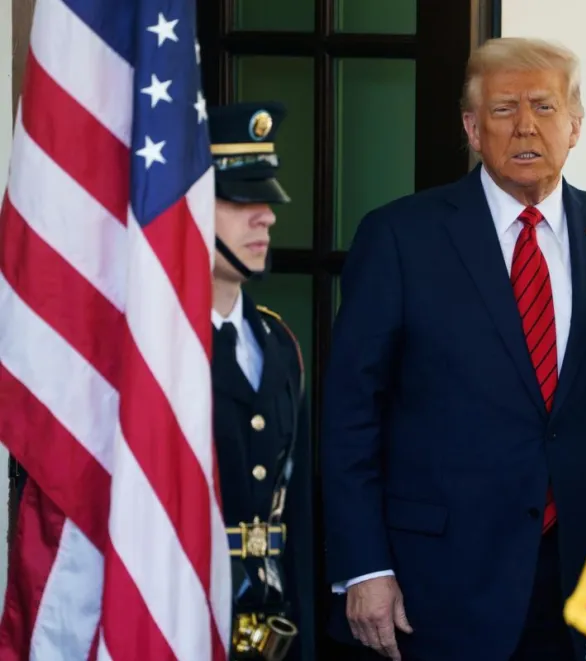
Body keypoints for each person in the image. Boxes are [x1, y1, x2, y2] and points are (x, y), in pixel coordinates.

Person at [321, 37, 586, 661]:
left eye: (544, 107)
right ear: (470, 127)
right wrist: (363, 568)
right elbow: (349, 414)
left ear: (575, 127)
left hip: (583, 582)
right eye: (502, 109)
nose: (524, 126)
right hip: (435, 583)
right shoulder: (400, 236)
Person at [207, 101, 315, 661]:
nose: (266, 217)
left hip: (267, 630)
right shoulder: (156, 350)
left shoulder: (277, 343)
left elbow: (296, 509)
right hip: (181, 615)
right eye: (241, 200)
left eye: (266, 201)